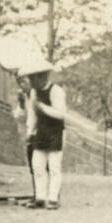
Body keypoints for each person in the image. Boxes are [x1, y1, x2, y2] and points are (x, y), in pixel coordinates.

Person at [22, 62, 64, 208]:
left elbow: (60, 114)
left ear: (42, 77)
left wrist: (43, 107)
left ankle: (53, 198)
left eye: (33, 79)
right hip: (41, 131)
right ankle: (40, 197)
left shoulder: (56, 91)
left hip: (55, 131)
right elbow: (33, 114)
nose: (31, 83)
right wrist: (29, 132)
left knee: (53, 166)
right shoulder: (34, 92)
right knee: (37, 165)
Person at [12, 73, 37, 203]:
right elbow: (19, 117)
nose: (22, 85)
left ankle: (48, 194)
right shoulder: (25, 98)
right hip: (30, 134)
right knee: (33, 166)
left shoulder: (36, 95)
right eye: (20, 83)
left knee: (42, 166)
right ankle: (37, 193)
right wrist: (21, 103)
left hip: (39, 133)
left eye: (25, 82)